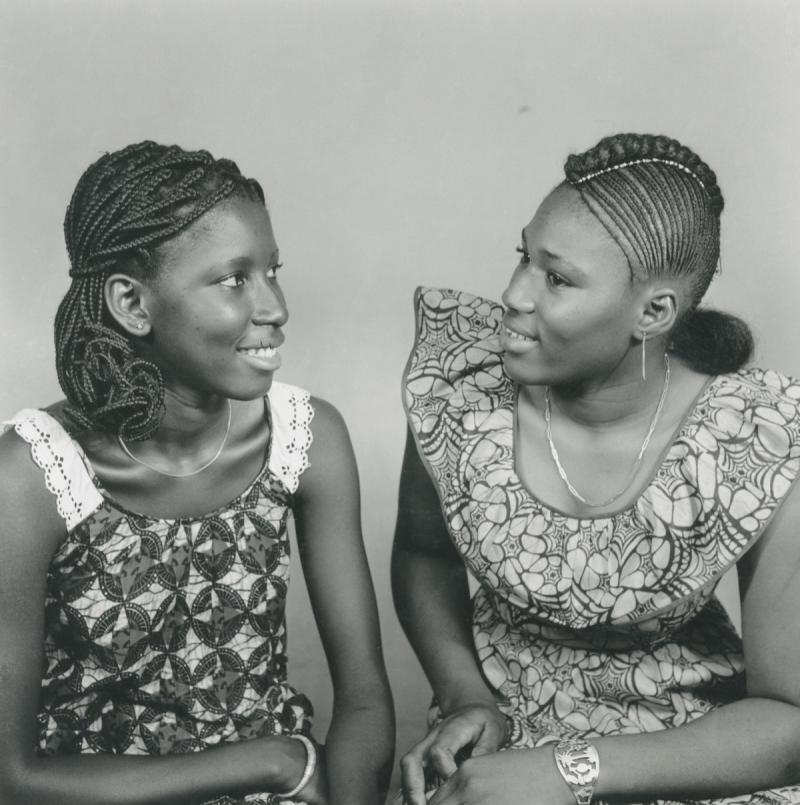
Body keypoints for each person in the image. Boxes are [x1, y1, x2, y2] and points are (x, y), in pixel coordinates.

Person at [393, 133, 800, 805]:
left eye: (557, 278)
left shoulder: (755, 436)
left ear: (654, 312)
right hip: (503, 738)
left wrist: (566, 771)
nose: (514, 295)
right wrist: (464, 692)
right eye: (524, 257)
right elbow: (420, 552)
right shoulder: (461, 389)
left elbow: (789, 721)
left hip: (689, 748)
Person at [0, 141, 394, 805]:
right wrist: (269, 761)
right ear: (132, 303)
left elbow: (364, 705)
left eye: (273, 270)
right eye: (235, 279)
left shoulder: (304, 439)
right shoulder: (32, 476)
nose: (275, 306)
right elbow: (14, 776)